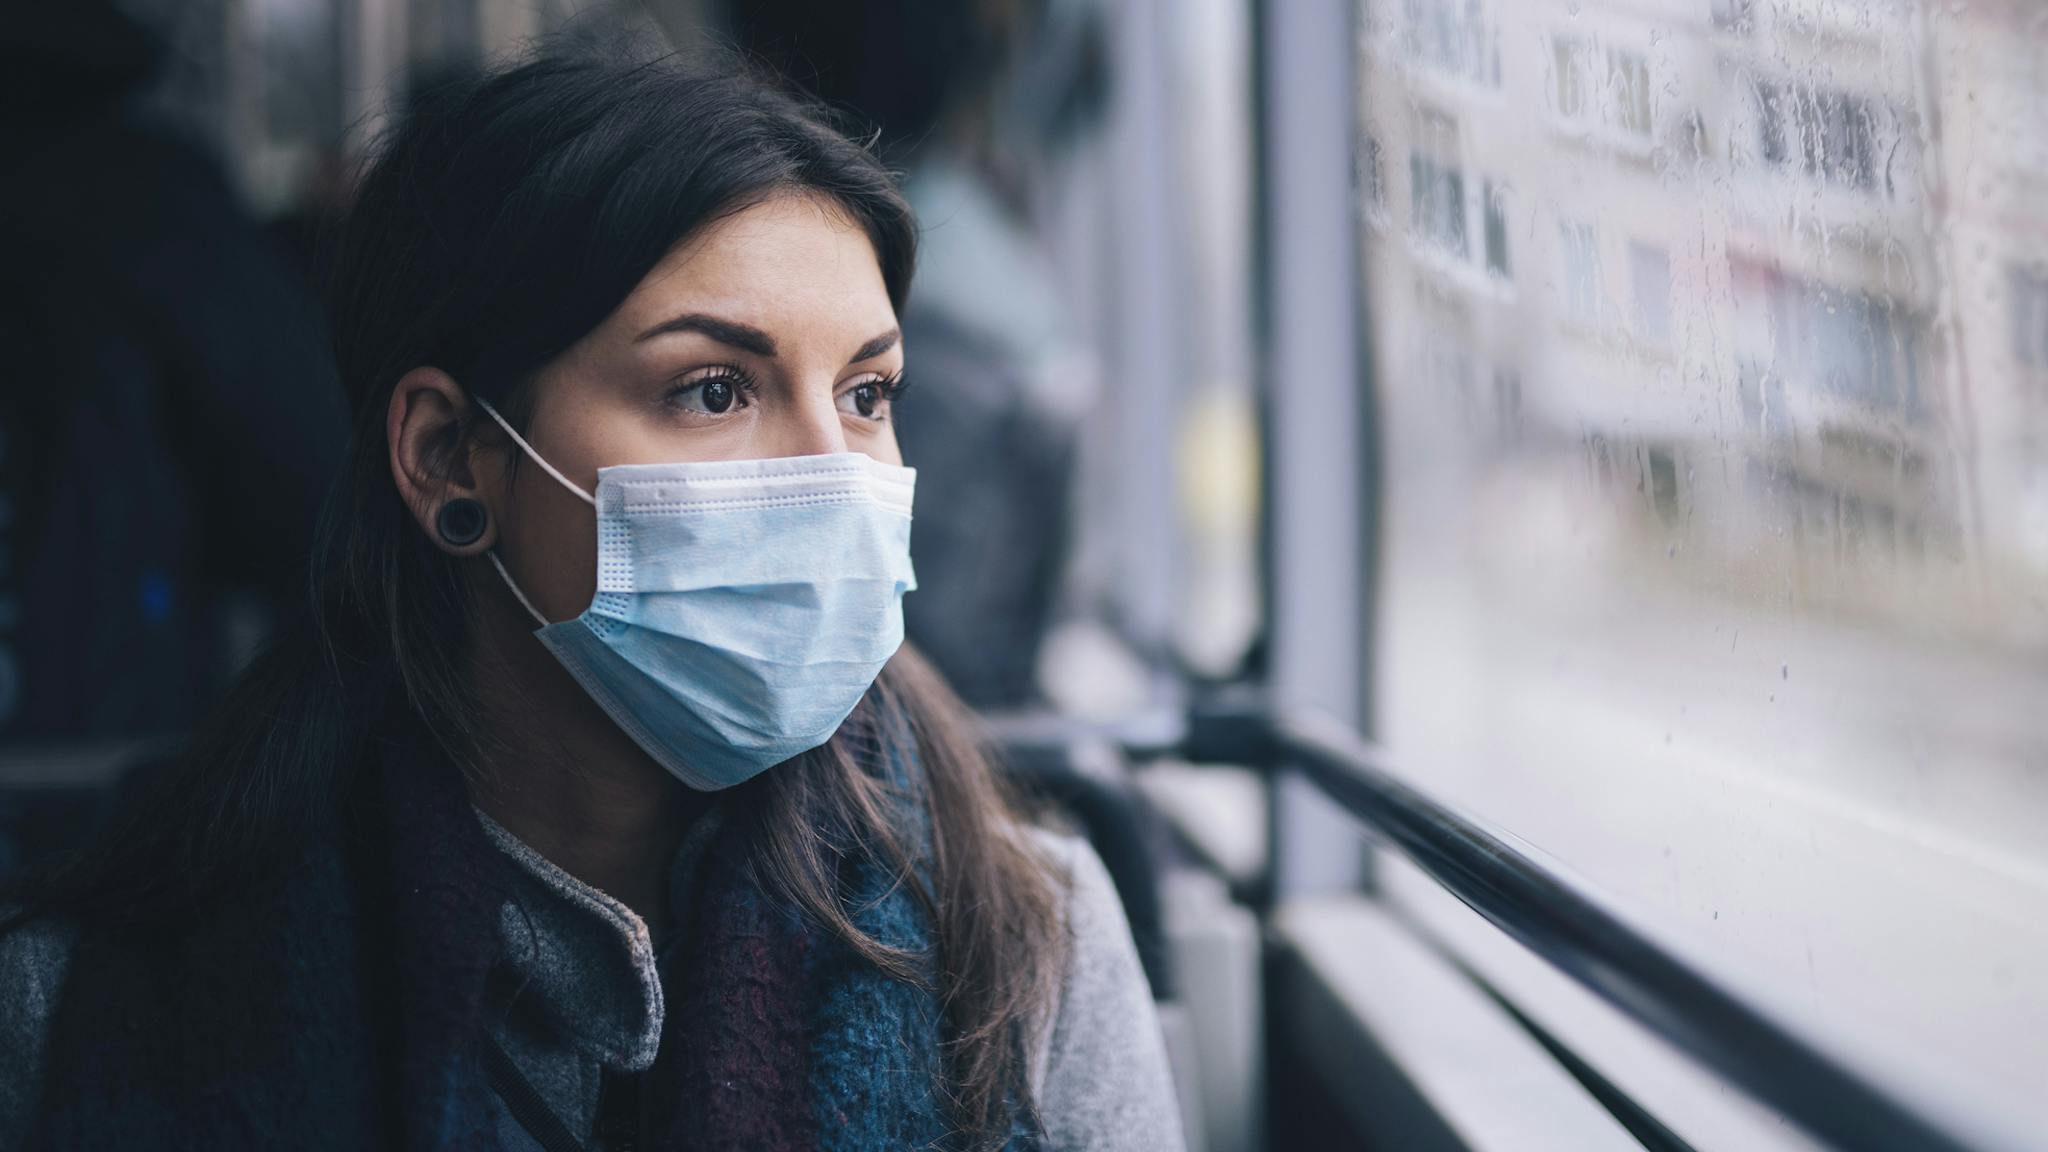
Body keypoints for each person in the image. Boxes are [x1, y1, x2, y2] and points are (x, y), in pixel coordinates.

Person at [0, 46, 1184, 1152]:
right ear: (449, 456)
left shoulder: (1023, 943)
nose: (830, 476)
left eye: (866, 394)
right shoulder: (85, 1003)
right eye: (714, 389)